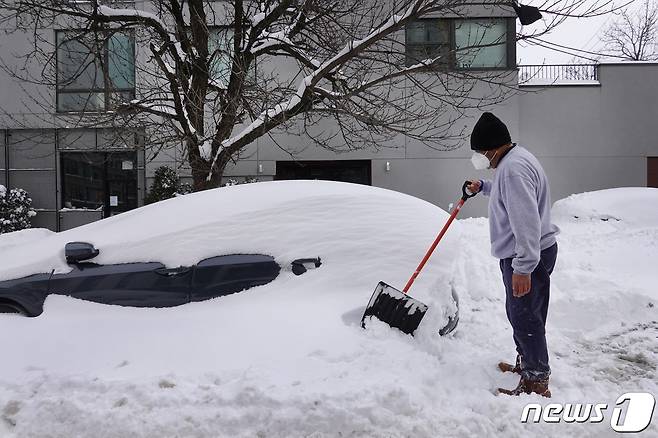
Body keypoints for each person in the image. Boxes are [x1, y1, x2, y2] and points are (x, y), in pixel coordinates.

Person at [466, 112, 559, 398]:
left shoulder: (513, 170)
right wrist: (484, 187)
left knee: (526, 317)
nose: (479, 158)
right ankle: (527, 363)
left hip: (527, 256)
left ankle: (536, 380)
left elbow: (526, 221)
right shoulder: (515, 161)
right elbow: (511, 195)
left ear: (492, 148)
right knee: (521, 313)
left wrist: (523, 267)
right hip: (530, 253)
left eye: (480, 152)